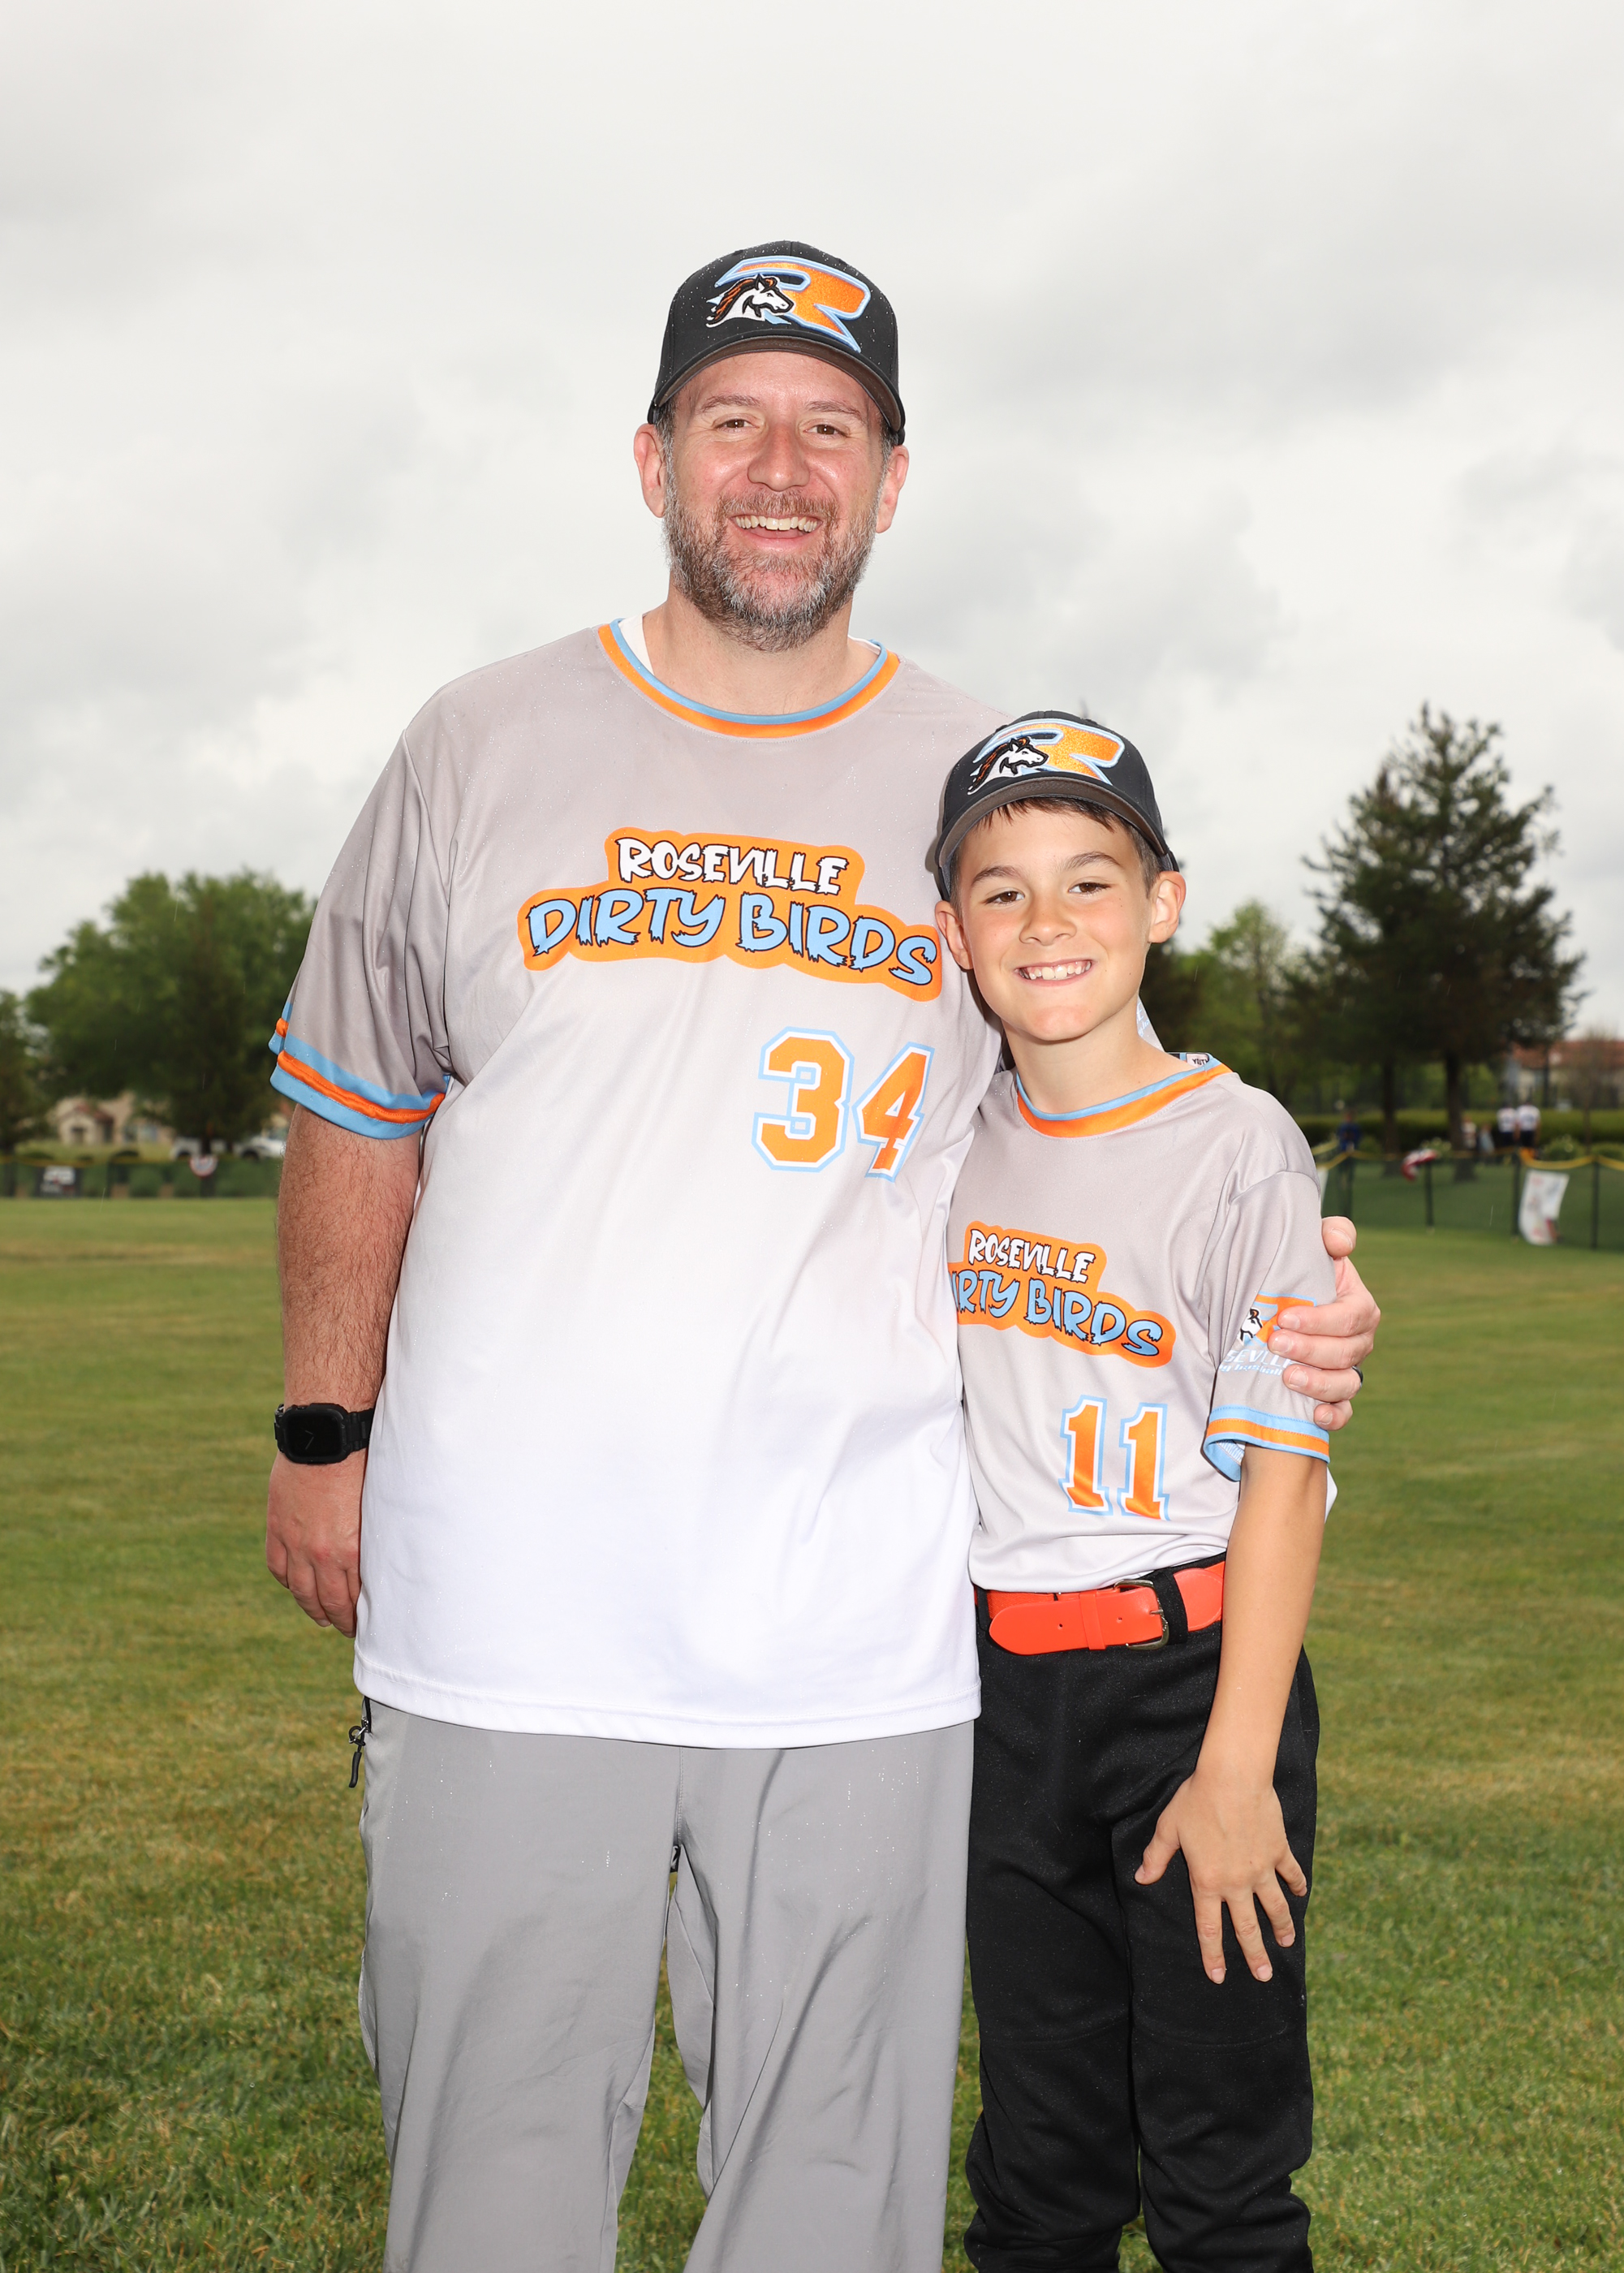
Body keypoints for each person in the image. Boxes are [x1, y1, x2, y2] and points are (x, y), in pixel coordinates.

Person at [263, 242, 1378, 2273]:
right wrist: (322, 1426)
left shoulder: (975, 783)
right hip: (513, 1587)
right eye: (734, 420)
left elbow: (1085, 1114)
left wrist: (1273, 1293)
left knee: (830, 2210)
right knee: (489, 2180)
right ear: (651, 456)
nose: (780, 470)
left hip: (864, 1615)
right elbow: (353, 1099)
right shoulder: (475, 738)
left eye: (830, 429)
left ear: (889, 477)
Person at [933, 719, 1337, 2269]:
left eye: (1089, 881)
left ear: (1162, 902)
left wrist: (1234, 1767)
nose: (1046, 923)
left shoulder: (1239, 1146)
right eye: (1002, 891)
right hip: (1001, 1694)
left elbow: (1284, 1475)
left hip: (1190, 1677)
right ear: (954, 929)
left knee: (1219, 2172)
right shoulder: (951, 1136)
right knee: (1040, 2168)